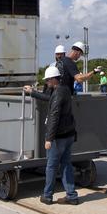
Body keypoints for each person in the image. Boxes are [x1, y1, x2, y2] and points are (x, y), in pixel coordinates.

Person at [38, 65, 79, 205]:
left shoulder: (57, 94)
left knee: (51, 166)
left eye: (48, 81)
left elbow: (54, 115)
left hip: (58, 137)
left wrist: (49, 138)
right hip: (68, 135)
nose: (47, 83)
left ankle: (47, 196)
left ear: (54, 79)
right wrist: (33, 92)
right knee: (66, 164)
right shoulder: (65, 90)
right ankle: (71, 195)